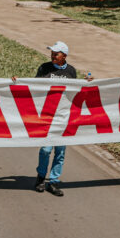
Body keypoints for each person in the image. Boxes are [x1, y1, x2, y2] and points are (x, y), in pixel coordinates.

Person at [28, 41, 80, 196]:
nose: (52, 56)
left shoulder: (71, 71)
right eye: (52, 53)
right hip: (47, 115)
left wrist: (87, 83)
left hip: (63, 116)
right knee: (45, 149)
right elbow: (33, 85)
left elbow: (75, 91)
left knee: (60, 151)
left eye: (56, 53)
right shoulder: (44, 68)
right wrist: (18, 81)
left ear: (64, 56)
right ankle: (41, 178)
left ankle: (54, 181)